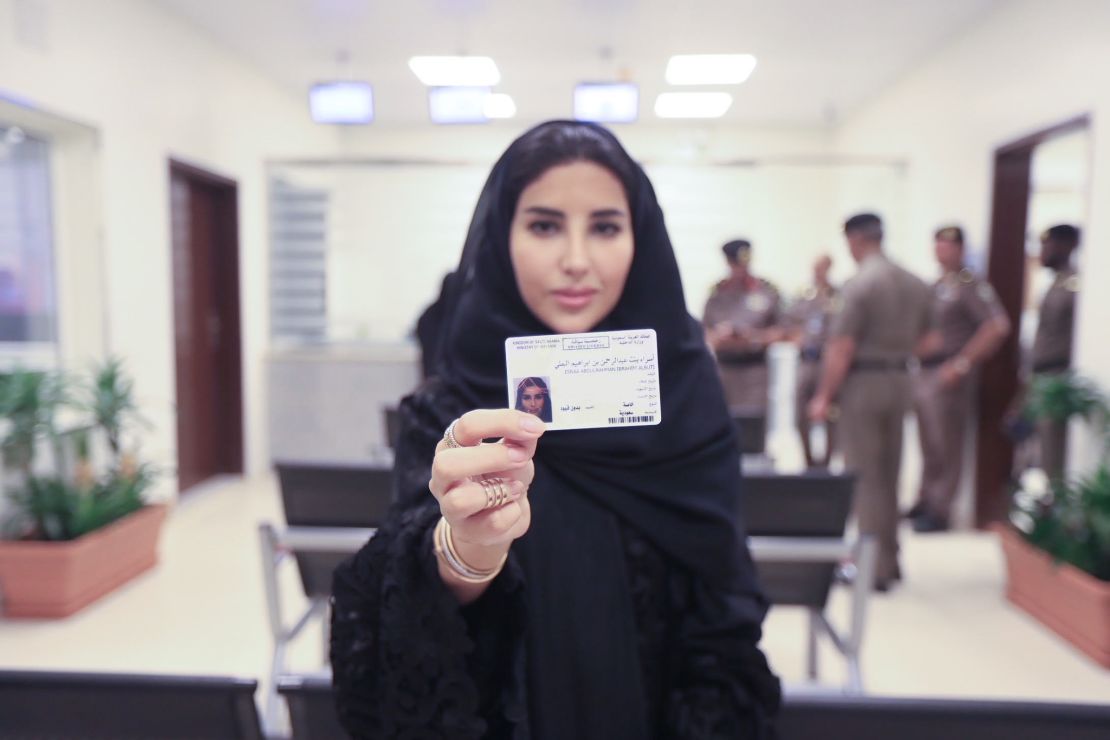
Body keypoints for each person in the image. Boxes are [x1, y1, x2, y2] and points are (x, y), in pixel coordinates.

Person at [330, 121, 780, 739]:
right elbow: (404, 625)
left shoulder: (687, 396)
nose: (576, 261)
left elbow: (723, 598)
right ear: (500, 236)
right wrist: (465, 551)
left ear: (640, 237)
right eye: (544, 225)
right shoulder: (451, 413)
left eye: (605, 227)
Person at [809, 213, 937, 591]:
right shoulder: (914, 281)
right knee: (891, 472)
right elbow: (931, 341)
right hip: (901, 379)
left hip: (863, 383)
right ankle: (891, 559)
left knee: (864, 476)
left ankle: (871, 568)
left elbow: (842, 346)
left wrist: (823, 396)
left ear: (856, 238)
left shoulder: (859, 284)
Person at [908, 226, 1010, 532]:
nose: (942, 251)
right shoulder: (937, 285)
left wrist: (963, 363)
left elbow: (996, 326)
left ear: (961, 249)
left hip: (948, 373)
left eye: (948, 246)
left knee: (947, 443)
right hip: (924, 371)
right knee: (928, 442)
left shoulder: (970, 284)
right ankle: (925, 499)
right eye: (938, 245)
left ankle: (941, 508)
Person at [703, 240, 782, 413]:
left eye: (744, 263)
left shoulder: (766, 292)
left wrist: (753, 337)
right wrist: (721, 336)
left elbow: (783, 332)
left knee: (753, 427)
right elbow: (705, 333)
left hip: (755, 373)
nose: (741, 269)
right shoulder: (717, 294)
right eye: (735, 264)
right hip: (725, 371)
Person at [1030, 224, 1081, 480]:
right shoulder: (1057, 282)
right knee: (1042, 451)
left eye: (1047, 245)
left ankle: (1058, 508)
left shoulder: (1074, 284)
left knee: (1055, 451)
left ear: (1067, 245)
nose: (1042, 252)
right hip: (1042, 375)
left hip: (1057, 374)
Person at [785, 254, 839, 468]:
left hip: (828, 361)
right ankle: (808, 459)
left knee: (832, 411)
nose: (818, 271)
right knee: (800, 408)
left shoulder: (838, 296)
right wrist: (794, 336)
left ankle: (827, 460)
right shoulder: (803, 296)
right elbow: (787, 324)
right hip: (807, 360)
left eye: (823, 267)